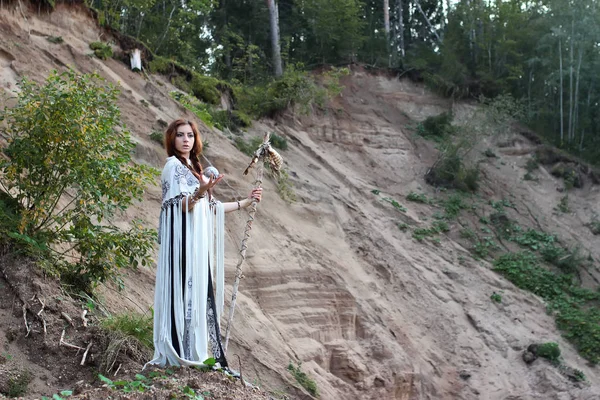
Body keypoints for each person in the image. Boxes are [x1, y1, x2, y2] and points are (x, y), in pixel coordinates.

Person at [146, 119, 262, 368]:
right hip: (181, 242)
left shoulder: (195, 168)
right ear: (172, 139)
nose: (186, 139)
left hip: (197, 244)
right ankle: (177, 353)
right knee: (181, 290)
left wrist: (246, 201)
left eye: (190, 135)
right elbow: (179, 206)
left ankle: (192, 352)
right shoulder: (173, 167)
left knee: (195, 295)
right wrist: (199, 192)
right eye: (180, 135)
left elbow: (212, 208)